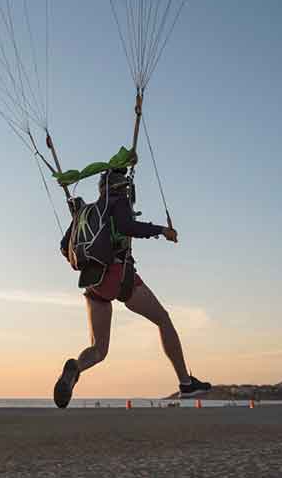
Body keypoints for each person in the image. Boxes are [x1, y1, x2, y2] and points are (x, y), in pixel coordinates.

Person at [53, 168, 211, 408]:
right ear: (121, 187)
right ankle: (186, 383)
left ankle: (76, 367)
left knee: (98, 349)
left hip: (93, 282)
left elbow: (64, 246)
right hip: (118, 276)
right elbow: (128, 227)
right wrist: (162, 230)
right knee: (163, 319)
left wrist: (93, 260)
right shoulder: (118, 202)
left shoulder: (86, 211)